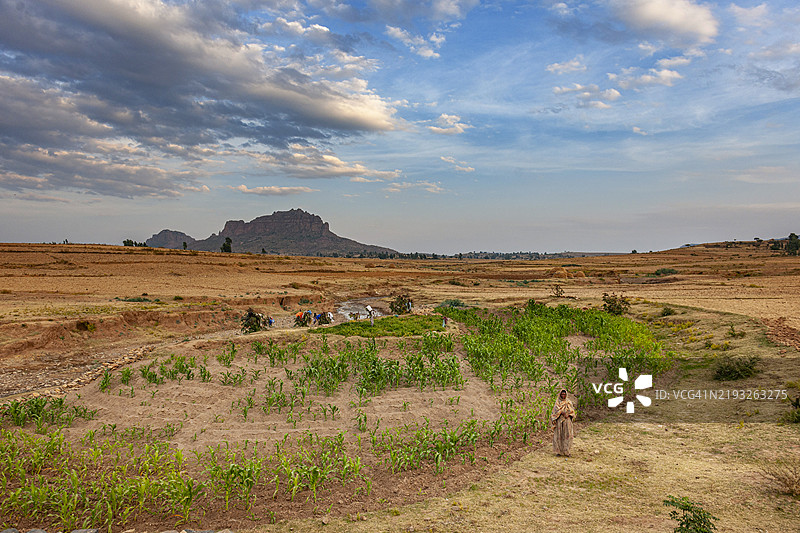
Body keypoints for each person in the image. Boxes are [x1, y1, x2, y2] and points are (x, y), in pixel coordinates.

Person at [551, 389, 575, 457]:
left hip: (567, 421)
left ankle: (567, 451)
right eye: (562, 394)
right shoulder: (557, 403)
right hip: (559, 421)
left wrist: (568, 414)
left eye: (564, 394)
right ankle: (559, 452)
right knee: (559, 435)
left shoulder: (568, 402)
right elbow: (554, 412)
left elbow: (572, 412)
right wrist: (561, 412)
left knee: (567, 435)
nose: (563, 396)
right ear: (560, 395)